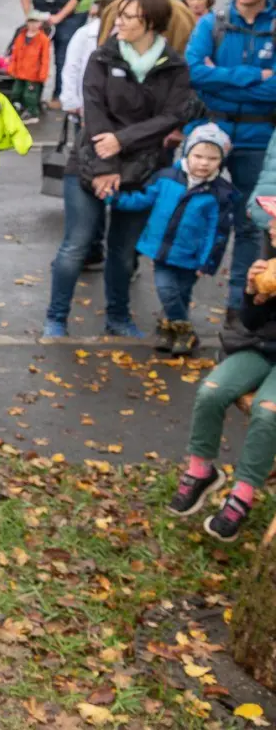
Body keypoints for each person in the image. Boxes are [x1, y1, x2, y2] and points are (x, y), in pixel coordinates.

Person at [44, 0, 198, 339]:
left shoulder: (173, 66)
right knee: (76, 245)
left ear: (153, 24)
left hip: (144, 168)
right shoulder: (102, 56)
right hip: (90, 163)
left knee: (124, 252)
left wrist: (123, 140)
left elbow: (172, 115)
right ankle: (56, 318)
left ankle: (118, 317)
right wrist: (106, 166)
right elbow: (94, 113)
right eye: (121, 14)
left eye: (130, 16)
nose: (120, 21)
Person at [169, 196, 276, 542]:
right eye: (271, 221)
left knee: (267, 411)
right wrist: (252, 293)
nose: (270, 228)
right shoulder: (270, 261)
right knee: (211, 392)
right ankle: (201, 471)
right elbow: (252, 323)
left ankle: (243, 493)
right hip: (262, 349)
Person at [193, 0, 276, 316]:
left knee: (249, 224)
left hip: (258, 138)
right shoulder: (213, 22)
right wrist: (252, 78)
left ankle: (237, 307)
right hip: (211, 131)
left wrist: (220, 79)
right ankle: (176, 309)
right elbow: (195, 72)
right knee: (191, 213)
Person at [108, 123, 236, 354]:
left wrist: (208, 261)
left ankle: (169, 334)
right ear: (187, 152)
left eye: (212, 158)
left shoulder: (220, 193)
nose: (204, 163)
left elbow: (217, 231)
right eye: (198, 156)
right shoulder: (166, 178)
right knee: (166, 289)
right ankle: (185, 331)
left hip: (191, 256)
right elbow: (142, 200)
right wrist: (114, 199)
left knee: (181, 294)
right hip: (163, 250)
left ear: (221, 161)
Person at [20, 0, 82, 104]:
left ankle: (58, 95)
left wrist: (59, 17)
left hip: (63, 19)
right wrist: (29, 15)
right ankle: (32, 97)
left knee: (61, 58)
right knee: (33, 59)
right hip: (38, 18)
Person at [59, 0, 125, 129]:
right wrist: (71, 101)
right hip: (86, 106)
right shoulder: (85, 34)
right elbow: (72, 67)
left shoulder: (127, 35)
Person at [7, 11, 52, 123]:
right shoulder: (21, 36)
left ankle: (32, 113)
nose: (32, 25)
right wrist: (12, 67)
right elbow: (15, 54)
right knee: (16, 92)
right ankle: (18, 107)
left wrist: (43, 73)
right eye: (30, 22)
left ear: (40, 24)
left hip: (33, 74)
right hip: (20, 72)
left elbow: (45, 59)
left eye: (35, 22)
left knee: (30, 95)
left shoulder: (43, 39)